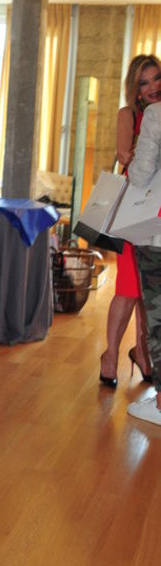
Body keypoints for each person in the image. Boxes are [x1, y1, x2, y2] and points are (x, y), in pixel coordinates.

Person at [99, 54, 161, 388]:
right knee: (128, 287)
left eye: (156, 78)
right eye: (144, 82)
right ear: (135, 89)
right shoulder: (130, 114)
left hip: (159, 204)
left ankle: (144, 352)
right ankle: (110, 355)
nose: (152, 87)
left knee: (151, 288)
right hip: (135, 205)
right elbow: (124, 155)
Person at [126, 98, 161, 423]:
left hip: (157, 234)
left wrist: (133, 157)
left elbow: (140, 174)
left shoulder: (156, 114)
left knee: (158, 318)